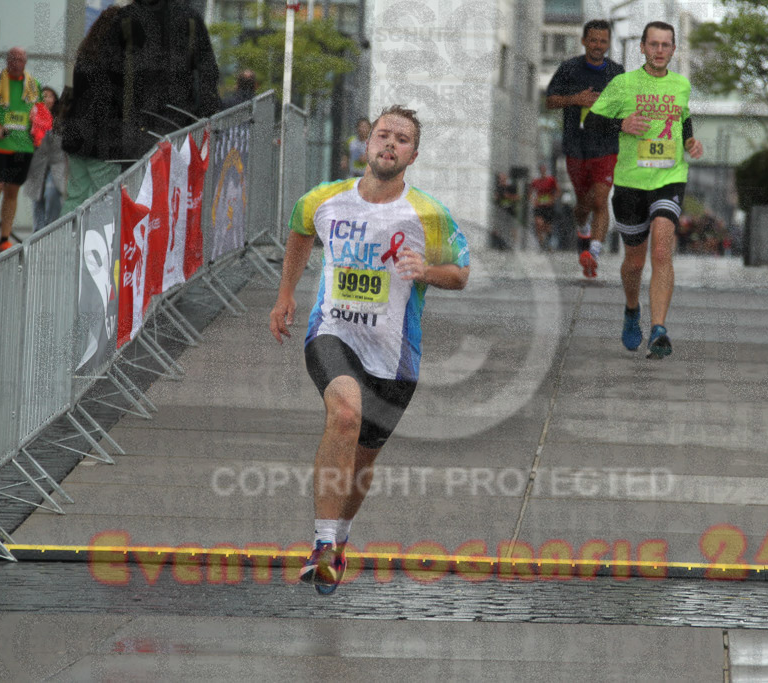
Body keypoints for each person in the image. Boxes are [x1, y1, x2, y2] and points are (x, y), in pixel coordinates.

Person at [269, 105, 470, 595]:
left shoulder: (429, 215)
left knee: (363, 458)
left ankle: (339, 541)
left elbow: (460, 275)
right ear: (367, 141)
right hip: (333, 332)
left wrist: (427, 271)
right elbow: (300, 231)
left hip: (395, 354)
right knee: (343, 416)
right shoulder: (325, 199)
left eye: (401, 140)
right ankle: (319, 542)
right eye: (384, 134)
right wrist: (286, 293)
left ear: (413, 155)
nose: (389, 144)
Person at [587, 20, 703, 358]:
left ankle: (659, 329)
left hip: (669, 177)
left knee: (662, 252)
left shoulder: (681, 85)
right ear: (642, 47)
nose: (659, 51)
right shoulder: (623, 84)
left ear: (674, 49)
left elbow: (683, 118)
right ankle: (631, 309)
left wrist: (689, 140)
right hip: (630, 183)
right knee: (634, 262)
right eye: (653, 44)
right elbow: (592, 123)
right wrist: (620, 123)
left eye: (666, 45)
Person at [61, 0, 221, 215]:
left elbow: (109, 81)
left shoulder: (125, 20)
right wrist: (209, 116)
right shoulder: (190, 18)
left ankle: (87, 245)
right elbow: (207, 73)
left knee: (124, 197)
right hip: (181, 128)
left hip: (133, 133)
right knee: (173, 197)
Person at [545, 19, 624, 278]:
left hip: (606, 146)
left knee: (601, 200)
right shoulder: (569, 69)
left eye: (603, 41)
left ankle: (594, 252)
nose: (598, 45)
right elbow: (550, 101)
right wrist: (575, 99)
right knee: (583, 204)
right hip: (576, 147)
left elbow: (626, 108)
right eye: (593, 40)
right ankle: (582, 226)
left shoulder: (617, 72)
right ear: (584, 41)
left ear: (608, 43)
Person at [0, 47, 42, 253]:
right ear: (6, 60)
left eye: (21, 59)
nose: (17, 62)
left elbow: (42, 115)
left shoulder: (33, 85)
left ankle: (4, 238)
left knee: (12, 190)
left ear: (26, 62)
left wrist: (36, 130)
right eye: (13, 58)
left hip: (23, 146)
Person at [23, 87, 67, 231]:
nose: (47, 99)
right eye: (44, 96)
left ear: (55, 99)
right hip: (37, 162)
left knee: (52, 192)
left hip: (56, 162)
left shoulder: (60, 118)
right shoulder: (32, 114)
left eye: (50, 96)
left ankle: (52, 226)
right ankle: (38, 231)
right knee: (37, 197)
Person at [529, 163, 558, 250]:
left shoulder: (551, 180)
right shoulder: (535, 181)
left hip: (548, 206)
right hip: (539, 206)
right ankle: (541, 243)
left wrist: (552, 199)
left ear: (546, 170)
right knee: (538, 224)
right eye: (541, 169)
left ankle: (548, 243)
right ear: (539, 171)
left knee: (547, 227)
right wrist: (533, 200)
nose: (542, 171)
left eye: (544, 169)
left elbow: (557, 191)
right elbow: (530, 192)